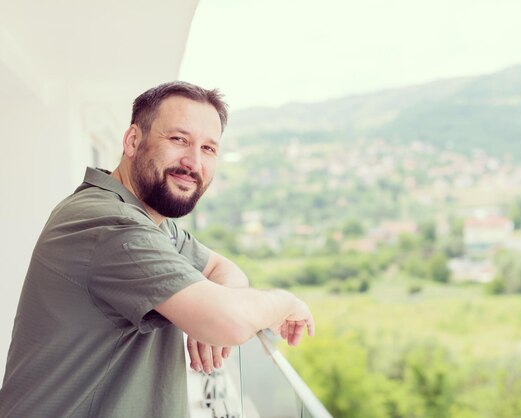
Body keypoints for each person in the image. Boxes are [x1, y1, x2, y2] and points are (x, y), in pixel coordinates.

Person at [0, 81, 314, 417]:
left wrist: (210, 309)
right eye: (179, 139)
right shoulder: (111, 225)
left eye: (208, 149)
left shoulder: (150, 222)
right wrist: (286, 302)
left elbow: (225, 271)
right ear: (133, 140)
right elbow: (231, 323)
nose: (193, 162)